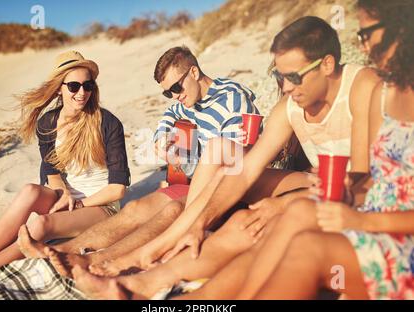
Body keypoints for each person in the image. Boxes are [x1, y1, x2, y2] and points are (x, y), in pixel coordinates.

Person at [61, 15, 382, 299]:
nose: (285, 87)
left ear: (326, 64)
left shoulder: (361, 85)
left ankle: (147, 266)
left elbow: (361, 179)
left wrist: (282, 204)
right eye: (279, 77)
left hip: (352, 195)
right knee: (218, 167)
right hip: (307, 183)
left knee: (243, 222)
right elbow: (247, 168)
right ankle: (153, 253)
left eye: (294, 77)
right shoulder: (290, 105)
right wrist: (197, 224)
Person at [179, 0, 414, 300]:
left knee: (302, 245)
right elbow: (373, 180)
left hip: (397, 239)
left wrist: (361, 219)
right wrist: (348, 193)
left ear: (401, 28)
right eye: (360, 37)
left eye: (366, 34)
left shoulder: (366, 86)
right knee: (285, 217)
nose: (364, 47)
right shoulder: (384, 94)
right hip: (371, 218)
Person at [20, 45, 305, 275]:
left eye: (177, 88)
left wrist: (186, 159)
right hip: (192, 180)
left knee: (168, 214)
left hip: (222, 185)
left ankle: (99, 261)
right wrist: (162, 138)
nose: (174, 96)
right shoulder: (184, 101)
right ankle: (64, 251)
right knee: (135, 211)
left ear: (194, 72)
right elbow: (169, 117)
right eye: (168, 92)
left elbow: (236, 161)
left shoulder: (232, 98)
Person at [0, 50, 131, 275]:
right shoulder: (47, 123)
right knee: (30, 191)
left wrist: (80, 204)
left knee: (41, 225)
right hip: (67, 200)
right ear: (59, 89)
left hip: (100, 207)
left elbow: (118, 189)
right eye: (74, 86)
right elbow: (51, 172)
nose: (82, 93)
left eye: (88, 85)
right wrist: (64, 194)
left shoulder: (108, 123)